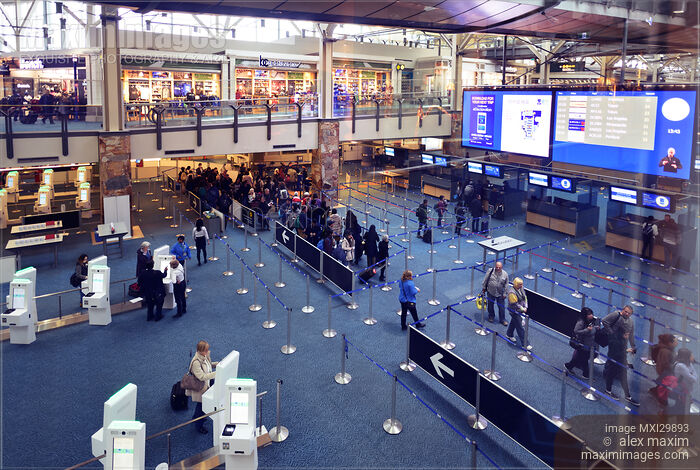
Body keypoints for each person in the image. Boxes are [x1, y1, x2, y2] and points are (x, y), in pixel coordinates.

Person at [186, 340, 218, 434]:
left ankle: (196, 418)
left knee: (203, 405)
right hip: (201, 388)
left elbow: (208, 366)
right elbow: (202, 377)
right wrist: (216, 373)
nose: (208, 351)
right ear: (200, 350)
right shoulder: (196, 362)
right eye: (206, 349)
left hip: (207, 383)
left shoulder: (205, 355)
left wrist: (217, 364)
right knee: (202, 406)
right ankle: (198, 425)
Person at [603, 327, 639, 406]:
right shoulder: (614, 341)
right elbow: (615, 353)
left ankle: (627, 396)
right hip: (613, 361)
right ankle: (608, 391)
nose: (627, 336)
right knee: (610, 376)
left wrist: (626, 362)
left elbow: (622, 353)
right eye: (626, 334)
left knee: (623, 379)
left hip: (620, 362)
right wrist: (626, 351)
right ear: (621, 334)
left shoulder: (623, 340)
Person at [564, 307, 598, 378]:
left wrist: (595, 328)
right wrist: (587, 330)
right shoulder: (581, 322)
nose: (591, 315)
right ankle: (586, 374)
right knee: (584, 359)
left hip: (587, 344)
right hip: (582, 344)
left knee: (580, 358)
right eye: (589, 314)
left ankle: (569, 366)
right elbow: (576, 331)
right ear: (585, 315)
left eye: (591, 313)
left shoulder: (590, 321)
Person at [505, 277, 530, 349]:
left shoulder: (521, 288)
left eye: (522, 284)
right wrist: (522, 309)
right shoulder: (511, 292)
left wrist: (526, 306)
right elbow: (514, 304)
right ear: (515, 284)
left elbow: (525, 297)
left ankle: (509, 334)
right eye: (520, 284)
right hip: (514, 311)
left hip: (521, 309)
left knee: (514, 322)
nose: (521, 286)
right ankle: (525, 344)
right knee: (520, 327)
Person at [482, 261, 509, 326]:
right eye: (497, 267)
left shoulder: (505, 274)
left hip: (500, 293)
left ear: (502, 267)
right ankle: (491, 316)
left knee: (501, 307)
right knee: (490, 305)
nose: (498, 268)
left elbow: (506, 285)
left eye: (499, 267)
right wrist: (483, 287)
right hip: (490, 291)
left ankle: (502, 319)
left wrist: (505, 293)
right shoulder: (490, 271)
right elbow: (485, 279)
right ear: (495, 266)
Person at [673, 348, 697, 414]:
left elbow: (694, 375)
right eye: (691, 356)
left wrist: (692, 374)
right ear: (687, 357)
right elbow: (694, 379)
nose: (693, 357)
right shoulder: (680, 366)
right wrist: (692, 374)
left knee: (681, 404)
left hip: (685, 388)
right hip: (682, 389)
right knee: (681, 407)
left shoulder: (688, 364)